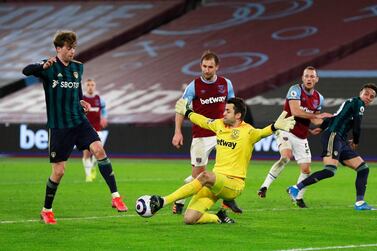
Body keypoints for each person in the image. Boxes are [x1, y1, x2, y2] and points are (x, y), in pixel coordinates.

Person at [22, 30, 128, 224]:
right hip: (60, 126)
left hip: (79, 121)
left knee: (99, 149)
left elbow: (77, 90)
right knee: (59, 171)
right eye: (69, 48)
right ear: (58, 48)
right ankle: (46, 209)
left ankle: (116, 196)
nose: (72, 51)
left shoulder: (78, 68)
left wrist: (82, 102)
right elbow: (26, 71)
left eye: (74, 48)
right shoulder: (49, 67)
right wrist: (41, 65)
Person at [145, 97, 295, 224]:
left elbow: (263, 132)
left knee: (203, 175)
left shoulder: (248, 131)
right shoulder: (220, 125)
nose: (223, 113)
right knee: (189, 219)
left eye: (228, 111)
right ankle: (219, 217)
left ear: (238, 115)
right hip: (215, 183)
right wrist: (187, 112)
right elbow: (203, 121)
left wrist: (275, 126)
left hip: (233, 184)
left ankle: (163, 201)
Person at [171, 50, 241, 214]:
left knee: (228, 168)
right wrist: (177, 132)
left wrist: (236, 127)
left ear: (217, 67)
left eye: (210, 67)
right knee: (198, 176)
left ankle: (228, 200)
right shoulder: (193, 86)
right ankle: (180, 201)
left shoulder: (226, 84)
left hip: (221, 132)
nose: (207, 70)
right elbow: (181, 110)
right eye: (204, 66)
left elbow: (232, 106)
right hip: (201, 135)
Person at [287, 83, 377, 210]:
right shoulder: (358, 104)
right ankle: (295, 188)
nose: (368, 97)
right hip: (333, 136)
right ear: (360, 93)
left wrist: (321, 127)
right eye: (366, 94)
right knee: (330, 170)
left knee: (363, 169)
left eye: (371, 96)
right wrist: (356, 141)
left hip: (340, 139)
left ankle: (360, 203)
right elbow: (357, 125)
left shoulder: (350, 102)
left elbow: (335, 116)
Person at [257, 66, 332, 208]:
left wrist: (330, 120)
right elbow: (295, 111)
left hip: (301, 135)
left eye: (312, 76)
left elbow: (315, 120)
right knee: (286, 156)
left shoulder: (319, 98)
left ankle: (298, 197)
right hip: (286, 128)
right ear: (302, 78)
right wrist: (317, 116)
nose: (309, 79)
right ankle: (264, 187)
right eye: (306, 76)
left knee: (306, 169)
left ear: (316, 79)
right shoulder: (295, 89)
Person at [82, 79, 108, 182]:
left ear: (95, 86)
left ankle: (93, 167)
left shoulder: (99, 99)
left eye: (92, 85)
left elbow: (104, 110)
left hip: (98, 129)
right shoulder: (82, 99)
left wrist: (104, 118)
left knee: (99, 152)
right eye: (88, 85)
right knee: (86, 153)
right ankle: (88, 176)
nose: (90, 87)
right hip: (85, 130)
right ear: (85, 86)